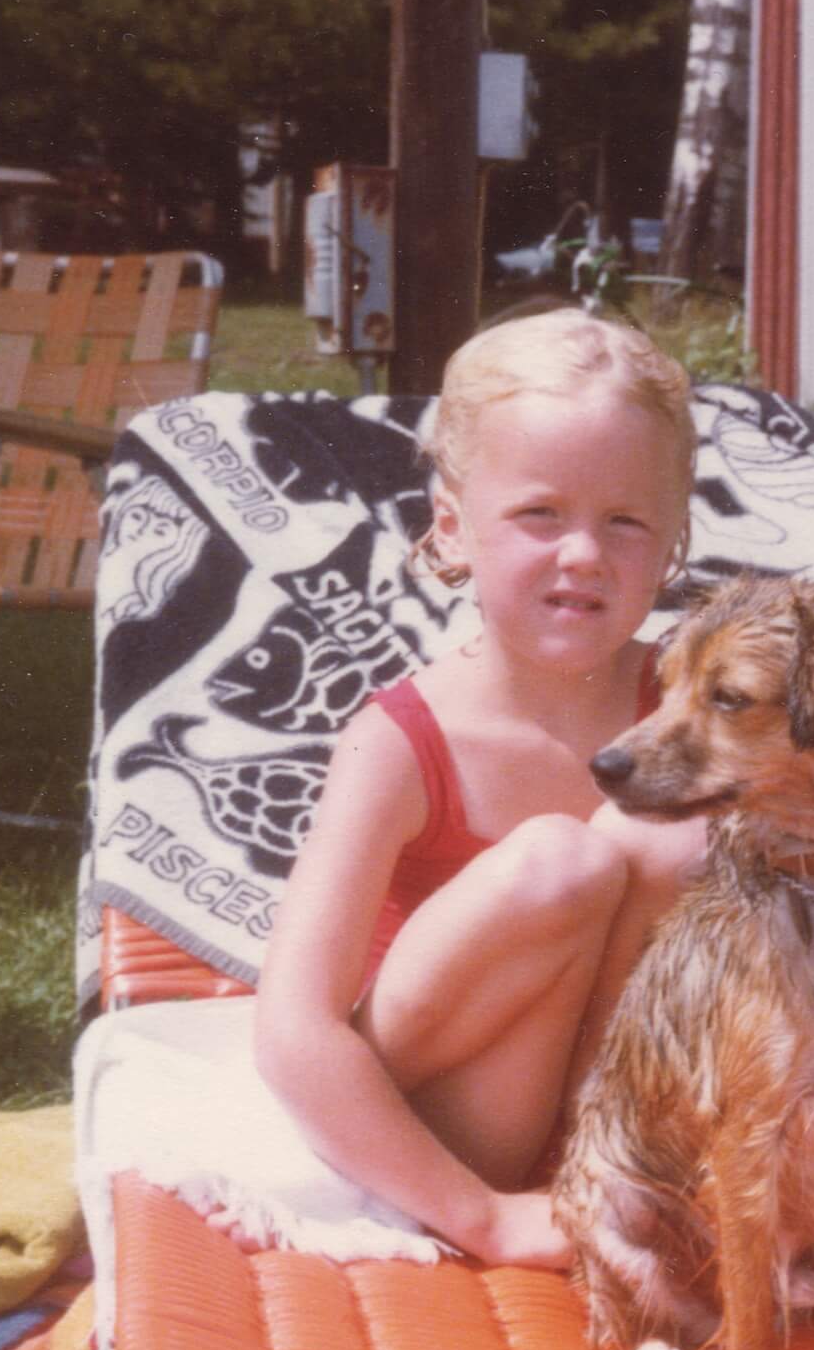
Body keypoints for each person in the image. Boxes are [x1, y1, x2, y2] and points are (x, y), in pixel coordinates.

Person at [255, 309, 705, 1272]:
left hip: (624, 1112)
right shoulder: (400, 743)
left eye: (625, 521)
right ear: (453, 527)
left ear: (671, 544)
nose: (584, 552)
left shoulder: (683, 702)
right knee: (562, 859)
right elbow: (292, 1027)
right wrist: (481, 1216)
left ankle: (612, 1172)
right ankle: (532, 1205)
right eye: (540, 513)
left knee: (681, 839)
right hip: (447, 1124)